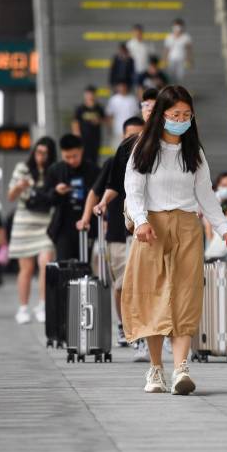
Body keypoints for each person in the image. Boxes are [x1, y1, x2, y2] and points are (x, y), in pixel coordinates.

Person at [122, 85, 227, 395]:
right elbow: (132, 191)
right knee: (153, 295)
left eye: (186, 115)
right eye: (175, 115)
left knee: (186, 295)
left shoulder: (194, 151)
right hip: (152, 229)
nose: (181, 120)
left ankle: (181, 369)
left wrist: (225, 226)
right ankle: (155, 369)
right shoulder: (143, 149)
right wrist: (141, 221)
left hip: (188, 226)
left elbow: (206, 195)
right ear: (160, 115)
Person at [92, 87, 158, 361]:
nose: (150, 110)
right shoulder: (128, 147)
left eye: (155, 106)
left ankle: (162, 334)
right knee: (136, 283)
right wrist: (104, 202)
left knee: (161, 284)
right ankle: (140, 336)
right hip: (138, 226)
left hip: (168, 221)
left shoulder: (177, 142)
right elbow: (116, 184)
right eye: (146, 106)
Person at [78, 117, 145, 348]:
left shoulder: (152, 160)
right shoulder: (115, 161)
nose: (134, 140)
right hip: (117, 232)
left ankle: (142, 329)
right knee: (122, 286)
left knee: (142, 283)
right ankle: (123, 324)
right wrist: (88, 216)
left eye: (139, 135)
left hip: (144, 232)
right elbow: (98, 191)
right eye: (129, 136)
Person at [7, 136, 57, 324]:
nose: (40, 156)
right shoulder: (23, 168)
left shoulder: (53, 171)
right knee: (26, 268)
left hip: (45, 221)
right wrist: (20, 186)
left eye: (45, 153)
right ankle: (23, 307)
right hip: (24, 222)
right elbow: (10, 196)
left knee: (46, 262)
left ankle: (43, 305)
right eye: (38, 152)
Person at [44, 134, 100, 261]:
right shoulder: (55, 170)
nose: (71, 160)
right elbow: (46, 198)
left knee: (84, 265)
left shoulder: (93, 170)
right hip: (63, 226)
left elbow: (99, 195)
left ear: (81, 151)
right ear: (61, 154)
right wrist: (56, 191)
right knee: (64, 266)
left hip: (88, 225)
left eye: (75, 156)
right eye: (67, 157)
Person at [71, 85, 106, 165]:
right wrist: (77, 135)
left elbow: (104, 119)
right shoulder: (80, 108)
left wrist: (99, 121)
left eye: (92, 94)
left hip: (95, 137)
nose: (90, 96)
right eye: (88, 94)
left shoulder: (99, 108)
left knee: (94, 157)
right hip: (83, 138)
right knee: (83, 157)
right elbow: (75, 122)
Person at [163, 18, 193, 83]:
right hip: (171, 59)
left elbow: (189, 49)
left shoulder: (186, 37)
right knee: (170, 76)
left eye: (179, 26)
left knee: (180, 77)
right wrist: (165, 60)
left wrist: (189, 59)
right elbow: (166, 49)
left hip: (182, 60)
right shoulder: (169, 37)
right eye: (175, 26)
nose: (177, 28)